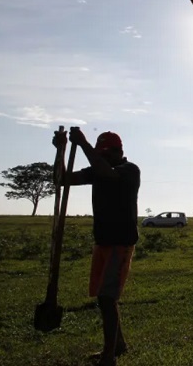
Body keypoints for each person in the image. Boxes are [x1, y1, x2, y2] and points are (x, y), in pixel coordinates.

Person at [53, 128, 140, 366]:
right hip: (102, 241)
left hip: (121, 242)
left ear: (118, 152)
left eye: (105, 153)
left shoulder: (129, 170)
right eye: (99, 153)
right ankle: (118, 346)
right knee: (105, 298)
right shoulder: (99, 170)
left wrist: (83, 144)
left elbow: (107, 173)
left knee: (106, 298)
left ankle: (109, 356)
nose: (101, 157)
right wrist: (60, 151)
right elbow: (62, 179)